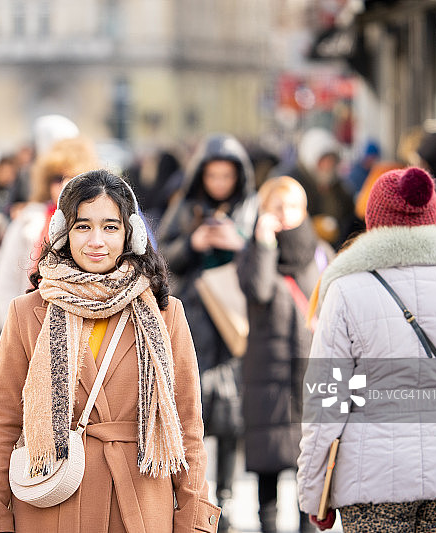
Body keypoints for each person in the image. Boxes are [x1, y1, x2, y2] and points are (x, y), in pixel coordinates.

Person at [0, 169, 219, 533]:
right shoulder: (27, 312)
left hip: (139, 506)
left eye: (110, 227)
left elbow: (187, 423)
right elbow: (2, 423)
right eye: (83, 226)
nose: (96, 240)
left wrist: (194, 515)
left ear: (131, 234)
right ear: (62, 233)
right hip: (51, 503)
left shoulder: (166, 314)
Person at [297, 167, 436, 532]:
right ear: (431, 218)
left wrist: (313, 490)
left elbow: (327, 400)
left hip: (371, 481)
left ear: (374, 221)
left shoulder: (346, 290)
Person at [157, 133, 256, 528]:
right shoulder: (184, 206)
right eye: (212, 175)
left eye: (226, 176)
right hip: (194, 322)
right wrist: (193, 242)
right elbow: (162, 259)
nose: (219, 183)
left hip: (235, 325)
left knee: (231, 416)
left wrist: (240, 244)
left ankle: (227, 500)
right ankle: (190, 496)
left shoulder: (252, 207)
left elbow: (271, 264)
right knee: (188, 412)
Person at [237, 176, 332, 533]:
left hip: (312, 370)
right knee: (267, 470)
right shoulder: (254, 253)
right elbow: (259, 291)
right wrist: (263, 243)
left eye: (293, 207)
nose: (286, 215)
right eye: (278, 207)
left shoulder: (321, 253)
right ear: (264, 211)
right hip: (267, 373)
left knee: (310, 475)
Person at [0, 136, 99, 334]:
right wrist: (12, 329)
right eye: (57, 178)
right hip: (29, 327)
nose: (64, 184)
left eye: (72, 177)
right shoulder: (28, 219)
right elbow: (5, 279)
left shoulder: (97, 222)